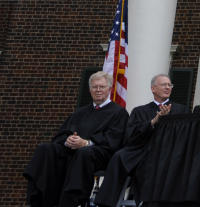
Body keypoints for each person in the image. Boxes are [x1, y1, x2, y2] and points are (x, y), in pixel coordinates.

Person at [24, 71, 128, 207]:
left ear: (109, 89)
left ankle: (71, 201)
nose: (98, 90)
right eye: (94, 87)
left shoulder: (118, 112)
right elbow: (63, 133)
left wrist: (86, 143)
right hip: (72, 151)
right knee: (46, 149)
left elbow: (114, 138)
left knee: (84, 152)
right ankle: (41, 198)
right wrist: (67, 140)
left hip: (99, 154)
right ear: (90, 90)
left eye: (101, 87)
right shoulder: (81, 112)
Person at [94, 73, 189, 207]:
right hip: (142, 149)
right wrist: (153, 121)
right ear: (153, 89)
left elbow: (185, 135)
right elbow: (131, 136)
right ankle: (106, 202)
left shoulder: (181, 110)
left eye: (170, 85)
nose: (168, 87)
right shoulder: (140, 111)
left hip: (169, 152)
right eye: (164, 85)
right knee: (119, 157)